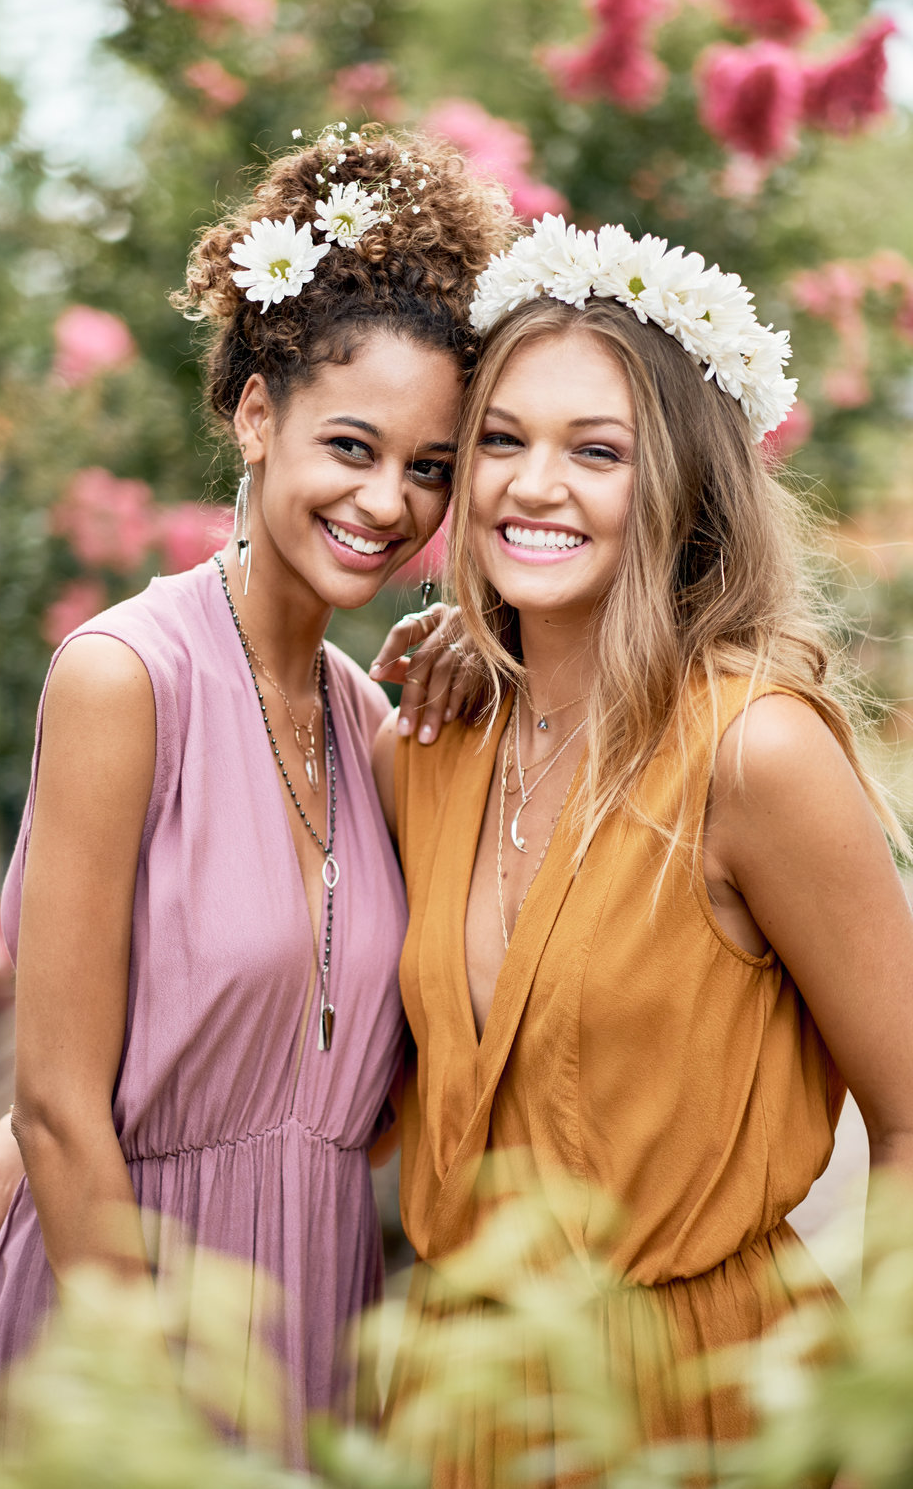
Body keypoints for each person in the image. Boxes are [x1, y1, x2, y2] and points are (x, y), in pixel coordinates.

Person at [0, 124, 511, 1465]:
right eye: (352, 446)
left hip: (315, 1325)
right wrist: (155, 1433)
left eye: (429, 467)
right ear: (256, 414)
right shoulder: (127, 680)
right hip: (126, 1335)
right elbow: (66, 1103)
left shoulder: (373, 724)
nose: (388, 501)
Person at [372, 218, 913, 1483]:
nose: (530, 484)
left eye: (595, 450)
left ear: (681, 487)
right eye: (499, 440)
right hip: (455, 1401)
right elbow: (277, 982)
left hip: (707, 1406)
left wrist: (873, 1418)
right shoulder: (427, 750)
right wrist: (43, 1117)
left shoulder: (755, 757)